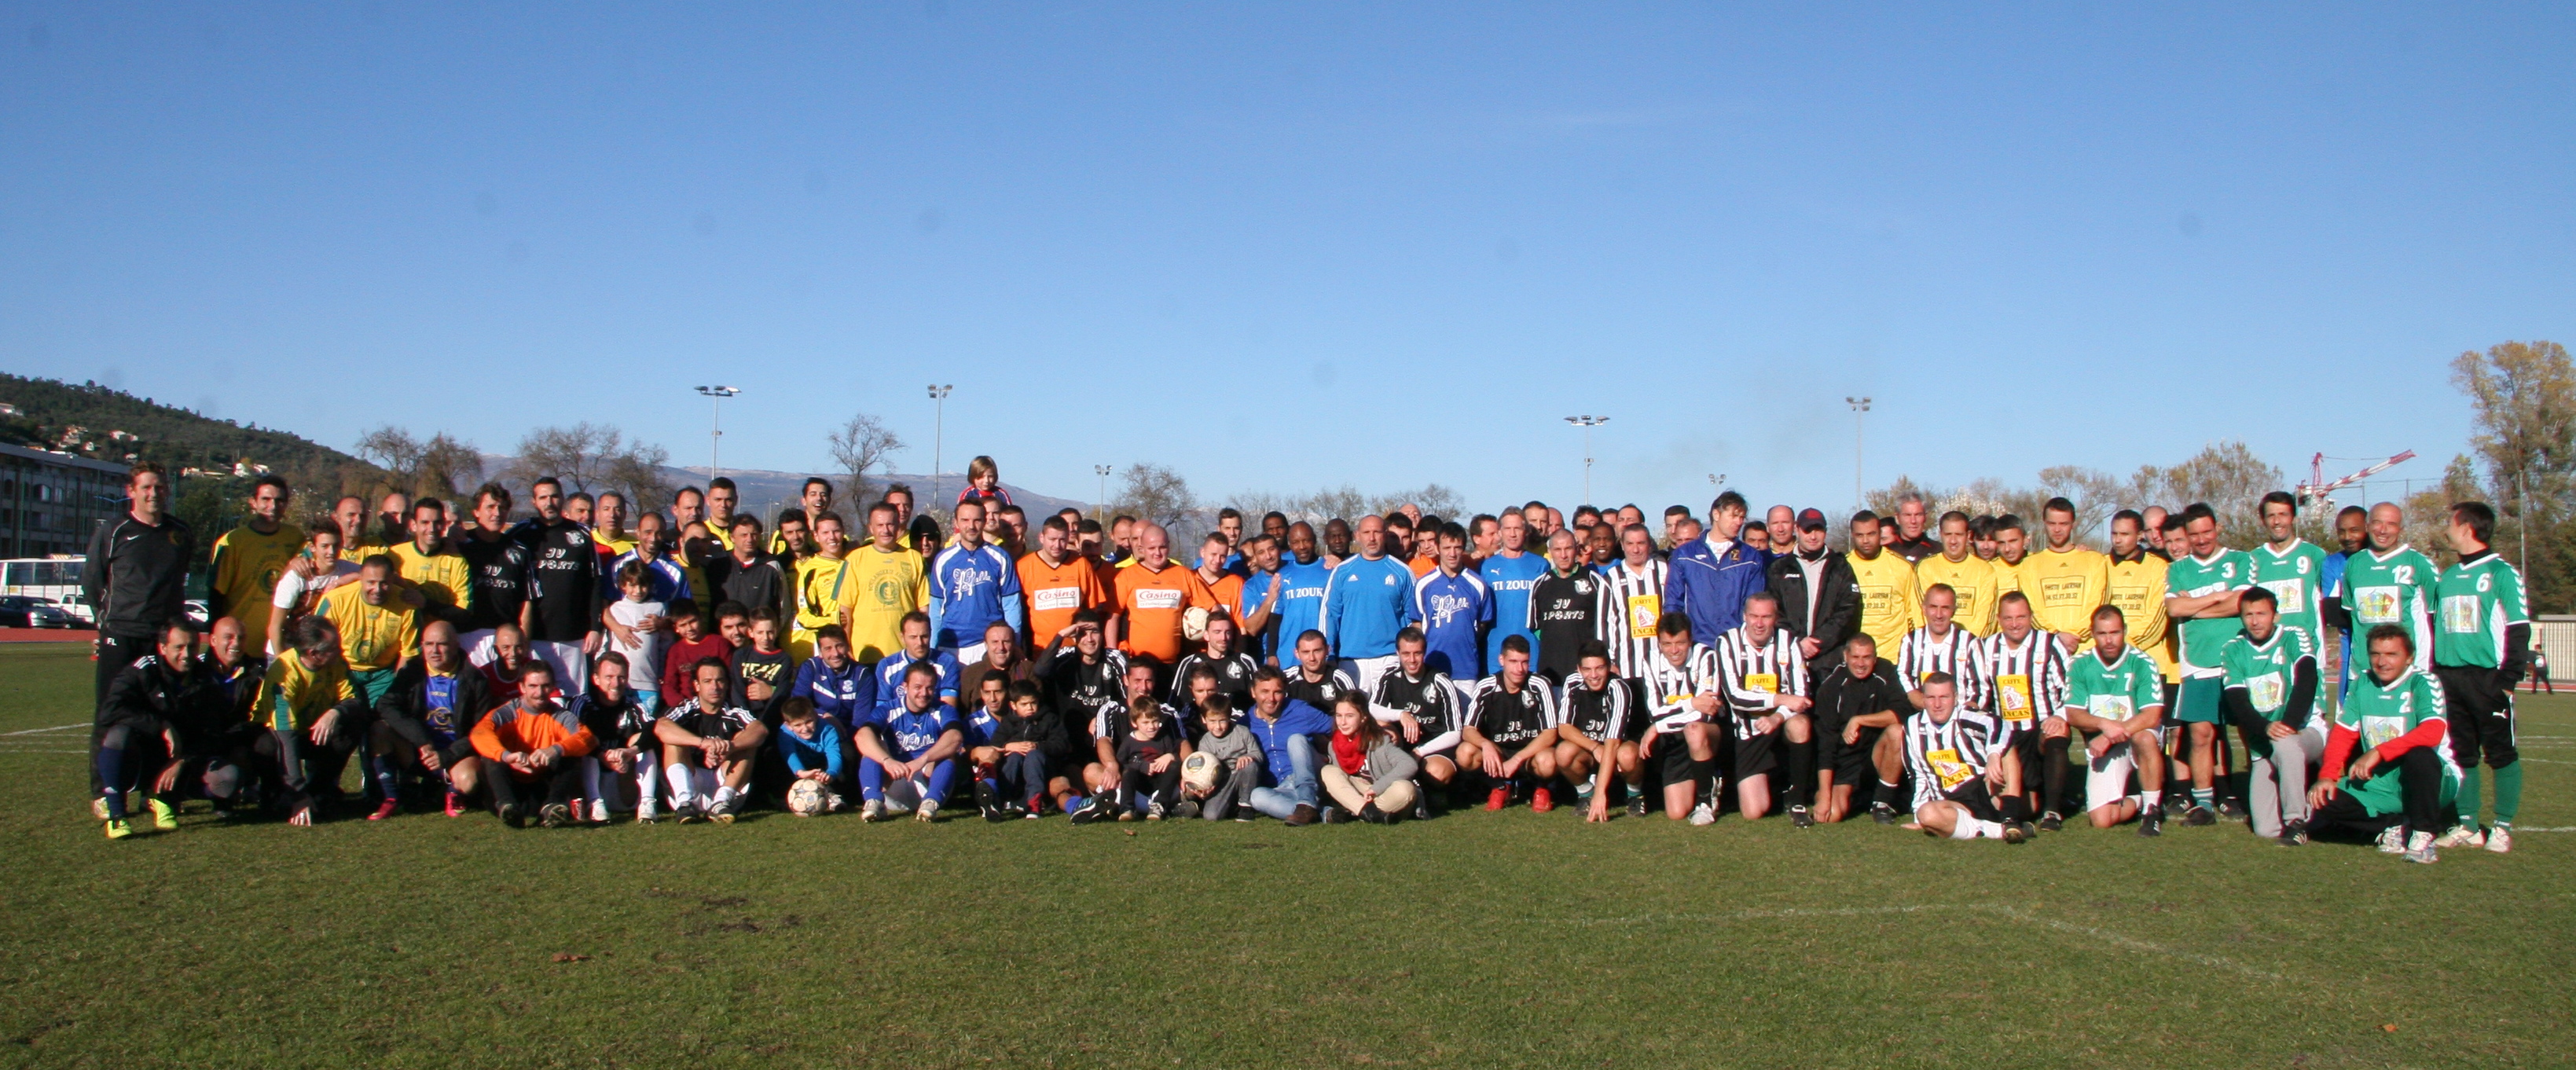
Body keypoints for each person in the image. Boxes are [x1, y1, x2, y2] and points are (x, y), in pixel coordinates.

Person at [2309, 625, 2459, 863]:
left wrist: (2379, 752)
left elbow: (2432, 732)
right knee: (2323, 798)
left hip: (2431, 779)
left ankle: (2423, 835)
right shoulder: (2362, 683)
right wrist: (2327, 775)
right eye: (2376, 654)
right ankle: (2395, 825)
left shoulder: (2423, 682)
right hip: (2380, 782)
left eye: (2391, 654)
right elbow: (2343, 733)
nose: (2382, 662)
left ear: (2409, 657)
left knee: (2419, 755)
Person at [2430, 500, 2529, 853]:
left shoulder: (2502, 573)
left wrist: (2507, 680)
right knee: (2461, 753)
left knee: (2500, 752)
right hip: (2449, 678)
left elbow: (2519, 628)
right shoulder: (2448, 576)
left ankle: (2502, 826)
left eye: (2450, 522)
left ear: (2467, 527)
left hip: (2488, 679)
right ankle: (2468, 825)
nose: (2446, 529)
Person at [94, 618, 235, 837]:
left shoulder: (206, 679)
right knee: (117, 735)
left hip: (180, 759)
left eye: (192, 647)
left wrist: (183, 760)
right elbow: (110, 711)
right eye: (179, 647)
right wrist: (161, 725)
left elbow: (214, 733)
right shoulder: (143, 670)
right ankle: (117, 816)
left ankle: (165, 798)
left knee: (228, 779)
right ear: (162, 647)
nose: (186, 654)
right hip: (140, 757)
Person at [2163, 502, 2253, 825]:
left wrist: (2194, 607)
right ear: (2186, 535)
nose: (2202, 540)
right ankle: (2204, 804)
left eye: (2207, 532)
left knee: (2247, 731)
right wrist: (2218, 598)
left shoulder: (2240, 560)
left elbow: (2243, 602)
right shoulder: (2178, 569)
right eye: (2195, 534)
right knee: (2201, 734)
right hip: (2197, 662)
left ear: (2218, 528)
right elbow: (2174, 610)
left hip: (2238, 661)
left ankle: (2252, 795)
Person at [85, 464, 197, 722]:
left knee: (164, 710)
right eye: (146, 487)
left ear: (167, 490)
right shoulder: (114, 531)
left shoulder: (180, 533)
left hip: (163, 638)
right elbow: (92, 582)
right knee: (112, 710)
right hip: (123, 635)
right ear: (131, 491)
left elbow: (179, 579)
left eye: (159, 487)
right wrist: (106, 624)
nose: (153, 493)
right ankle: (104, 763)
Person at [2218, 585, 2321, 844]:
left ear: (2275, 616)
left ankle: (2297, 821)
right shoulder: (2233, 650)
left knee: (2285, 744)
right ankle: (2311, 812)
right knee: (2265, 830)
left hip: (2305, 731)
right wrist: (2265, 728)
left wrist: (2288, 725)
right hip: (2263, 741)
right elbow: (2237, 700)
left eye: (2261, 614)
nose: (2255, 621)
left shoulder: (2294, 636)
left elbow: (2307, 680)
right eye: (2248, 615)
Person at [2057, 606, 2168, 834]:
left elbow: (2152, 714)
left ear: (2125, 631)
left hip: (2136, 734)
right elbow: (2074, 713)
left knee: (2144, 738)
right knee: (2101, 820)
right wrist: (2104, 726)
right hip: (2105, 741)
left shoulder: (2142, 662)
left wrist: (2109, 736)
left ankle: (2151, 810)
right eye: (2102, 634)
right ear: (2092, 633)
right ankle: (2138, 798)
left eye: (2115, 633)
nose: (2109, 640)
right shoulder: (2079, 664)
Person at [372, 620, 495, 820]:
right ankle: (392, 798)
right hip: (420, 751)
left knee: (470, 781)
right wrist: (421, 740)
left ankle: (451, 791)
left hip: (455, 754)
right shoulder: (412, 673)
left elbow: (482, 729)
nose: (434, 651)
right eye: (428, 644)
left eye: (442, 644)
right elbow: (385, 705)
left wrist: (448, 755)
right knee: (379, 729)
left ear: (456, 645)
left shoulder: (475, 679)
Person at [256, 615, 369, 825]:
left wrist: (335, 712)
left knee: (352, 726)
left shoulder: (336, 664)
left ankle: (319, 791)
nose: (341, 650)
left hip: (310, 731)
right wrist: (298, 794)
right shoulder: (284, 675)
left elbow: (355, 699)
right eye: (334, 647)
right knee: (267, 745)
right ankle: (277, 794)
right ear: (313, 653)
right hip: (278, 736)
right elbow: (286, 739)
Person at [1969, 592, 2067, 829]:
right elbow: (1980, 694)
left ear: (2031, 616)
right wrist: (1972, 708)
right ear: (1999, 619)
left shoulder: (2050, 644)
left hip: (2042, 725)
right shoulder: (1985, 647)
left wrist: (2059, 715)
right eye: (2009, 618)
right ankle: (2037, 798)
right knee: (2028, 808)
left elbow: (2070, 688)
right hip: (2008, 735)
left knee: (2059, 732)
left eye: (2021, 617)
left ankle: (2053, 811)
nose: (2015, 624)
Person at [1715, 591, 1815, 824]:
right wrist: (1779, 699)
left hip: (1782, 723)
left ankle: (1798, 800)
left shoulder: (1789, 641)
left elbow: (1801, 697)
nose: (1759, 624)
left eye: (1766, 617)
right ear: (1744, 616)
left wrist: (1777, 718)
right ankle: (1777, 788)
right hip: (1749, 730)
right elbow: (1734, 696)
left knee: (1801, 724)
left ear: (1776, 618)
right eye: (1754, 616)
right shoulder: (1727, 642)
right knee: (1753, 812)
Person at [1899, 672, 2025, 842]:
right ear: (1923, 699)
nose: (1937, 704)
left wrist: (1993, 755)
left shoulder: (1965, 716)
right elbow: (1918, 774)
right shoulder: (1912, 726)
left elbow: (1999, 724)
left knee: (2007, 749)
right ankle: (2002, 831)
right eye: (1931, 697)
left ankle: (2010, 818)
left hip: (1986, 789)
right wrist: (1919, 817)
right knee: (1927, 814)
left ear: (1955, 698)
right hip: (1953, 801)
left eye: (1944, 697)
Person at [1635, 614, 1723, 824]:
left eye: (1680, 643)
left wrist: (1658, 727)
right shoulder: (1649, 661)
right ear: (1659, 643)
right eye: (1667, 644)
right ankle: (1706, 780)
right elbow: (1655, 711)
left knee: (1695, 729)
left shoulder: (1706, 657)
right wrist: (1691, 703)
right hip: (1673, 740)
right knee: (1676, 812)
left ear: (1690, 640)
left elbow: (1706, 713)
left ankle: (1705, 803)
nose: (1674, 651)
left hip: (1708, 734)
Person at [1814, 635, 1910, 824]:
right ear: (1845, 656)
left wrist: (1860, 720)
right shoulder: (1831, 687)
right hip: (1846, 762)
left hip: (1876, 755)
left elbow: (1903, 712)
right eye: (1856, 657)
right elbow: (1826, 745)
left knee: (1897, 732)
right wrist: (1825, 797)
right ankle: (1851, 798)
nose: (1861, 663)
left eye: (1867, 657)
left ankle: (1883, 802)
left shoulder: (1886, 671)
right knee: (1831, 815)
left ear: (1875, 658)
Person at [516, 478, 602, 689]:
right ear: (534, 502)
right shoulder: (521, 534)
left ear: (562, 499)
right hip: (534, 636)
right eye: (543, 497)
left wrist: (595, 627)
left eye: (554, 496)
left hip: (573, 637)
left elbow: (596, 582)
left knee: (572, 700)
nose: (549, 502)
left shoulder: (581, 534)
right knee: (536, 697)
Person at [655, 656, 765, 823]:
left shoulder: (734, 711)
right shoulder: (686, 709)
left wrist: (731, 747)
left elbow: (760, 730)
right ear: (697, 685)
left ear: (727, 684)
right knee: (673, 741)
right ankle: (685, 804)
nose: (715, 687)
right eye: (707, 681)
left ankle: (721, 802)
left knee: (748, 741)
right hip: (691, 781)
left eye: (720, 681)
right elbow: (661, 727)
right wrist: (702, 743)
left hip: (725, 783)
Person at [1460, 636, 1561, 812]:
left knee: (1548, 761)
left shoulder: (1540, 685)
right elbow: (1468, 730)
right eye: (1513, 661)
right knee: (1465, 753)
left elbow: (1550, 732)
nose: (1519, 669)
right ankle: (1499, 786)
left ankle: (1540, 788)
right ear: (1502, 660)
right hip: (1500, 753)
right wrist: (1485, 744)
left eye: (1524, 662)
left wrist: (1518, 759)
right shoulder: (1487, 686)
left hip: (1531, 754)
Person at [1369, 626, 1462, 815]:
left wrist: (1420, 752)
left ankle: (1431, 791)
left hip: (1431, 748)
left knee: (1438, 772)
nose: (1412, 660)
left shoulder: (1440, 681)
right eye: (1406, 654)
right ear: (1398, 653)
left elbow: (1455, 732)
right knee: (1379, 725)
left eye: (1417, 653)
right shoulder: (1389, 676)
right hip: (1401, 746)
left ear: (1424, 652)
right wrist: (1401, 715)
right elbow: (1372, 708)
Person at [1320, 515, 1417, 696]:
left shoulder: (1402, 572)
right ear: (1357, 535)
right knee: (1354, 717)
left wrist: (1407, 654)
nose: (1372, 538)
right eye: (1366, 533)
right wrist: (1330, 654)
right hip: (1351, 660)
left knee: (1390, 718)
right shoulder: (1342, 571)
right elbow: (1330, 614)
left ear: (1385, 535)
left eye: (1377, 532)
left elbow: (1412, 618)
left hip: (1390, 658)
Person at [857, 660, 965, 823]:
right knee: (873, 748)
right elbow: (862, 736)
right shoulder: (888, 709)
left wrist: (922, 760)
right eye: (917, 687)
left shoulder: (943, 710)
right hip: (895, 779)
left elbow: (956, 738)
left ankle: (930, 804)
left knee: (948, 754)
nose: (924, 693)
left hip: (928, 782)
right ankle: (874, 802)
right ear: (905, 687)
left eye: (929, 688)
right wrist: (887, 761)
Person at [207, 475, 303, 654]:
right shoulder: (232, 541)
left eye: (279, 500)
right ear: (253, 502)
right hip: (241, 644)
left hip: (277, 645)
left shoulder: (296, 537)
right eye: (265, 499)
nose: (273, 506)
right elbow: (216, 594)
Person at [1111, 522, 1217, 684]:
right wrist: (1113, 655)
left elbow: (1213, 609)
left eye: (1162, 547)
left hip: (1173, 665)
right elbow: (1113, 617)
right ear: (1142, 548)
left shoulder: (1183, 575)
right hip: (1139, 667)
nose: (1158, 553)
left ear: (1169, 546)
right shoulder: (1127, 576)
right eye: (1152, 548)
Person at [1768, 508, 1862, 682]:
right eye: (1807, 530)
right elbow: (1774, 611)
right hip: (1790, 659)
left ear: (1825, 532)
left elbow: (1849, 611)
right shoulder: (1780, 568)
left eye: (1818, 530)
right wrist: (1798, 642)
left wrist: (1818, 641)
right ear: (1797, 530)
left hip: (1830, 662)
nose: (1813, 536)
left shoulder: (1840, 567)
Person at [1665, 491, 1768, 646]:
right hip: (1697, 644)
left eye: (1741, 518)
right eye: (1733, 516)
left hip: (1736, 645)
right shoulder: (1685, 554)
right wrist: (1678, 640)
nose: (1739, 522)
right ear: (1716, 514)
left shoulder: (1750, 558)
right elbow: (1673, 602)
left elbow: (1754, 606)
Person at [1556, 643, 1644, 820]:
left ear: (1609, 667)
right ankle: (1586, 794)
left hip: (1618, 748)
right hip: (1592, 748)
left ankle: (1635, 796)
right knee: (1563, 752)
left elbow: (1612, 744)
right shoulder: (1572, 682)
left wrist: (1601, 794)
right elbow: (1564, 727)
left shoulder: (1619, 688)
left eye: (1599, 668)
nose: (1593, 675)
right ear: (1579, 669)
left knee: (1627, 755)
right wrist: (1595, 747)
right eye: (1587, 669)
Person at [930, 498, 1023, 661]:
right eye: (965, 520)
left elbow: (1011, 606)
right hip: (950, 645)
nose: (971, 526)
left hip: (988, 645)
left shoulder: (1000, 557)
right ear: (956, 522)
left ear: (985, 521)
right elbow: (936, 610)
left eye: (977, 520)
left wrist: (1014, 643)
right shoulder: (943, 559)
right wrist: (932, 649)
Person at [842, 501, 931, 666]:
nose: (886, 530)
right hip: (865, 652)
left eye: (890, 524)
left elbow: (923, 608)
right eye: (880, 525)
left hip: (904, 654)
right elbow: (845, 610)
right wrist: (846, 646)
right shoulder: (855, 559)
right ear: (871, 528)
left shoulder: (914, 558)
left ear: (898, 525)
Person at [1316, 691, 1421, 824]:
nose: (1343, 722)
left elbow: (1409, 764)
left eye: (1349, 716)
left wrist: (1376, 788)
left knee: (1405, 789)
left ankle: (1355, 812)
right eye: (1339, 716)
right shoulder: (1334, 745)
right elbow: (1340, 782)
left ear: (1363, 717)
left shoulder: (1378, 741)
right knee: (1328, 771)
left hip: (1381, 792)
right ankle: (1371, 814)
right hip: (1357, 792)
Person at [457, 483, 531, 668]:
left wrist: (525, 641)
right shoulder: (459, 546)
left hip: (505, 641)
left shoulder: (519, 551)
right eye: (490, 507)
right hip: (466, 637)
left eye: (502, 508)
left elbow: (527, 601)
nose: (497, 513)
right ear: (476, 512)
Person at [965, 678, 1062, 819]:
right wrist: (1008, 746)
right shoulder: (1008, 722)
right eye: (1024, 704)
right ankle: (998, 801)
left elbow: (1061, 745)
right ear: (1013, 705)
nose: (1030, 708)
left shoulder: (1049, 719)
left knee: (1034, 756)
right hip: (1014, 771)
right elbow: (994, 745)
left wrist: (1038, 746)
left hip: (1042, 769)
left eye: (1033, 703)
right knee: (1014, 757)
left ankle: (1034, 801)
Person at [2023, 497, 2111, 651]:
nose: (2057, 530)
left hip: (2086, 650)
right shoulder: (2029, 565)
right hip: (2046, 651)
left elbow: (2099, 604)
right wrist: (2055, 636)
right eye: (2052, 523)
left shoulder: (2095, 560)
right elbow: (2031, 609)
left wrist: (2075, 635)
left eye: (2063, 524)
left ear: (2073, 524)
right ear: (2044, 523)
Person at [1409, 522, 1492, 680]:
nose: (1452, 554)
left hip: (1466, 668)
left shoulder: (1478, 584)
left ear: (1463, 549)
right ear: (1438, 548)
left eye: (1457, 548)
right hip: (1431, 667)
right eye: (1447, 548)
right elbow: (1417, 623)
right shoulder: (1424, 585)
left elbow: (1482, 624)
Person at [1528, 529, 1608, 683]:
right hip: (1551, 672)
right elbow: (1536, 628)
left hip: (1587, 674)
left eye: (1568, 548)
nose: (1563, 555)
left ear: (1576, 549)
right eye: (1558, 549)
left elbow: (1606, 626)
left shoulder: (1595, 581)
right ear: (1550, 551)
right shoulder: (1540, 584)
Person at [266, 526, 359, 657]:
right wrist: (280, 660)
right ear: (312, 547)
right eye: (324, 546)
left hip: (321, 652)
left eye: (336, 545)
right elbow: (275, 625)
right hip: (287, 648)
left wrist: (351, 578)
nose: (331, 551)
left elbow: (378, 574)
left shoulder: (349, 569)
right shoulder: (296, 576)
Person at [1018, 515, 1109, 645]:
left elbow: (1092, 609)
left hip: (1076, 648)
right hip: (1040, 649)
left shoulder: (1081, 564)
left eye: (1062, 540)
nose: (1057, 545)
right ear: (1041, 538)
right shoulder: (1024, 567)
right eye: (1052, 539)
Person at [1478, 510, 1550, 672]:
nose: (1512, 534)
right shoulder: (1486, 566)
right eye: (1508, 529)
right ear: (1500, 532)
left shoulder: (1541, 565)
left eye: (1517, 529)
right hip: (1496, 649)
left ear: (1525, 531)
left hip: (1531, 650)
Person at [1601, 522, 1671, 683]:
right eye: (1630, 544)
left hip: (1662, 666)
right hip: (1626, 668)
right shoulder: (1611, 578)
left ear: (1649, 545)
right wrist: (1608, 661)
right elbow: (1606, 623)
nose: (1636, 549)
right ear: (1623, 546)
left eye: (1641, 543)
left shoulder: (1664, 571)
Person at [391, 497, 473, 629]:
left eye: (437, 522)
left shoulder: (457, 562)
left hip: (440, 640)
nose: (432, 529)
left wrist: (425, 603)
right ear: (413, 525)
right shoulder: (395, 555)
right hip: (402, 637)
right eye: (425, 522)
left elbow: (464, 614)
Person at [1914, 511, 2000, 636]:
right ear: (1941, 535)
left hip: (1971, 647)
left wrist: (1967, 645)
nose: (1953, 541)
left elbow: (1986, 617)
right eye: (1948, 534)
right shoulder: (1925, 568)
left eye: (1959, 535)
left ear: (1968, 535)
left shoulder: (1985, 570)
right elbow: (1921, 613)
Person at [1895, 584, 1978, 711]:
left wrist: (1966, 710)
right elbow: (1903, 675)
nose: (1939, 615)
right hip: (1921, 715)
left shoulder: (1970, 642)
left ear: (1954, 610)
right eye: (1933, 607)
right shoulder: (1911, 641)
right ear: (1924, 609)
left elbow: (1979, 686)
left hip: (1960, 718)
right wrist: (1916, 697)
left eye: (1945, 608)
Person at [602, 561, 670, 712]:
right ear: (623, 586)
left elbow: (665, 645)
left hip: (648, 683)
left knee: (645, 727)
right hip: (619, 684)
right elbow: (605, 644)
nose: (638, 591)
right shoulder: (615, 609)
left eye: (642, 585)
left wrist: (662, 672)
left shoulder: (659, 608)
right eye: (632, 585)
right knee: (620, 724)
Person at [868, 611, 962, 720]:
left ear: (931, 634)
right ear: (902, 637)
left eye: (924, 636)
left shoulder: (946, 662)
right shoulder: (887, 666)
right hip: (897, 727)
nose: (920, 643)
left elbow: (948, 709)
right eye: (913, 637)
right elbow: (882, 710)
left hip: (934, 727)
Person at [1182, 696, 1262, 820]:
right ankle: (1232, 807)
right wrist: (1205, 787)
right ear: (1204, 719)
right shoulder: (1205, 742)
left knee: (1250, 765)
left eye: (1222, 721)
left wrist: (1248, 756)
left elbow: (1258, 755)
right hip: (1222, 781)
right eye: (1212, 721)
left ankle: (1246, 806)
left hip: (1242, 776)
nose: (1218, 726)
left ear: (1229, 718)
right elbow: (1204, 770)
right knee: (1211, 816)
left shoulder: (1242, 732)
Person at [1108, 701, 1190, 821]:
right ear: (1135, 723)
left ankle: (1159, 806)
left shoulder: (1164, 738)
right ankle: (1127, 808)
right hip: (1139, 783)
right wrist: (1142, 766)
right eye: (1145, 723)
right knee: (1129, 773)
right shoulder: (1130, 741)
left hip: (1159, 782)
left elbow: (1175, 757)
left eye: (1155, 721)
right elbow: (1122, 762)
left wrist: (1170, 756)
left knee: (1174, 766)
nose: (1151, 727)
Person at [2320, 504, 2371, 695]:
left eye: (2354, 530)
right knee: (2348, 704)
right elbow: (2334, 614)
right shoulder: (2332, 563)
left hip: (2387, 644)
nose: (2348, 537)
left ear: (2367, 528)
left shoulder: (2385, 559)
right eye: (2342, 532)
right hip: (2350, 644)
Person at [790, 511, 853, 665]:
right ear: (816, 536)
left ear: (843, 532)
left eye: (836, 531)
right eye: (825, 532)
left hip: (859, 637)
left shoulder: (856, 559)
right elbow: (804, 617)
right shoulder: (809, 570)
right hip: (830, 645)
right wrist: (833, 620)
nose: (832, 537)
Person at [1172, 612, 1260, 714]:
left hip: (1238, 726)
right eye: (1217, 632)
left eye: (1227, 632)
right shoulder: (1190, 663)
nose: (1223, 638)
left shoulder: (1245, 662)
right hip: (1199, 726)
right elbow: (1175, 703)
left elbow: (1259, 699)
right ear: (1206, 635)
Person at [773, 696, 847, 815]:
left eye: (809, 722)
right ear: (788, 725)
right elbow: (789, 753)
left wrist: (830, 774)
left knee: (847, 753)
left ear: (816, 716)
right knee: (772, 755)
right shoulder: (785, 733)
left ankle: (832, 794)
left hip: (820, 767)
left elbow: (834, 755)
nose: (805, 729)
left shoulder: (828, 730)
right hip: (798, 768)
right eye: (798, 725)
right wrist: (801, 772)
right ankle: (783, 796)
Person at [715, 513, 790, 625]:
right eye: (744, 535)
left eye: (754, 534)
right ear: (732, 537)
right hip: (723, 637)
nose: (750, 539)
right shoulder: (719, 565)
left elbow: (784, 608)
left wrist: (769, 634)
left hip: (759, 639)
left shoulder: (771, 566)